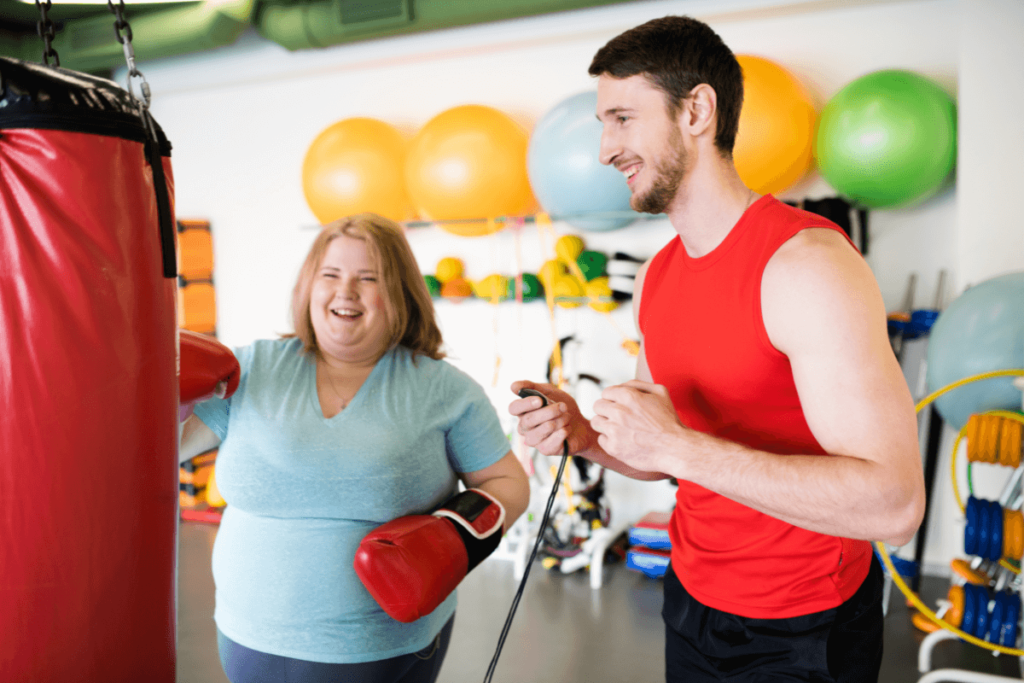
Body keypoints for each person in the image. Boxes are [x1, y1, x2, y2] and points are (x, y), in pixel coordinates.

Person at [510, 16, 925, 683]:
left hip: (805, 627)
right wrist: (582, 434)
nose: (604, 149)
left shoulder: (805, 265)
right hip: (692, 603)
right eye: (602, 123)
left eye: (622, 118)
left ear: (697, 110)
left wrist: (676, 448)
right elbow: (662, 449)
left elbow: (896, 504)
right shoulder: (661, 274)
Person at [180, 213, 529, 683]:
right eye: (331, 275)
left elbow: (507, 482)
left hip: (379, 649)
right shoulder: (249, 369)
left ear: (400, 293)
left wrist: (454, 535)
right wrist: (154, 391)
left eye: (369, 278)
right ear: (309, 286)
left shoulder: (444, 390)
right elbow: (162, 455)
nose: (346, 292)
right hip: (246, 638)